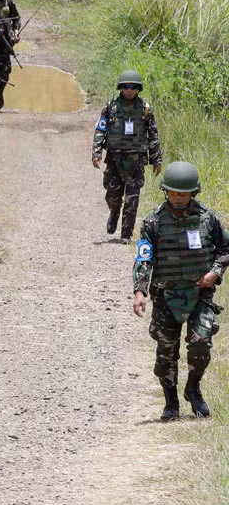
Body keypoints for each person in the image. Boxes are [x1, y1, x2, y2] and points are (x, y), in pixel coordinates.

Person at [133, 162, 229, 420]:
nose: (177, 197)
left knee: (200, 345)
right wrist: (140, 292)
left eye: (183, 193)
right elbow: (144, 259)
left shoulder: (208, 219)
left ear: (193, 193)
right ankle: (171, 403)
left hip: (200, 294)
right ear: (166, 191)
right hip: (166, 297)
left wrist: (215, 273)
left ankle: (193, 390)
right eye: (173, 192)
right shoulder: (153, 222)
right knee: (166, 354)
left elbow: (225, 250)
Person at [92, 70, 162, 243]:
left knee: (132, 199)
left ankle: (126, 234)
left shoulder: (145, 109)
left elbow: (153, 135)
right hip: (114, 159)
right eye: (125, 86)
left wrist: (156, 159)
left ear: (138, 88)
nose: (129, 89)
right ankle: (114, 212)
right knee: (112, 194)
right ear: (120, 88)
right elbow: (101, 129)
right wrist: (96, 152)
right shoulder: (110, 107)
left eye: (133, 86)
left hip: (136, 161)